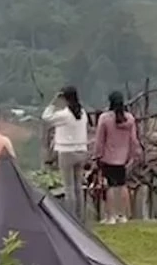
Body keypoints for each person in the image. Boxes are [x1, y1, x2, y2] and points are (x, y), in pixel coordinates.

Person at [43, 86, 91, 222]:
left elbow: (46, 117)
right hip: (81, 150)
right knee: (78, 187)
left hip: (66, 152)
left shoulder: (64, 115)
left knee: (68, 187)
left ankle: (71, 218)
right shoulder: (82, 113)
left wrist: (53, 102)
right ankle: (81, 217)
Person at [93, 90, 142, 225]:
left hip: (108, 156)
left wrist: (97, 155)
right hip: (124, 157)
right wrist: (135, 154)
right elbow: (133, 139)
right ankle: (123, 215)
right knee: (122, 186)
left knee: (110, 187)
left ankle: (111, 216)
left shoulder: (105, 118)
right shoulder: (130, 118)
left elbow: (100, 140)